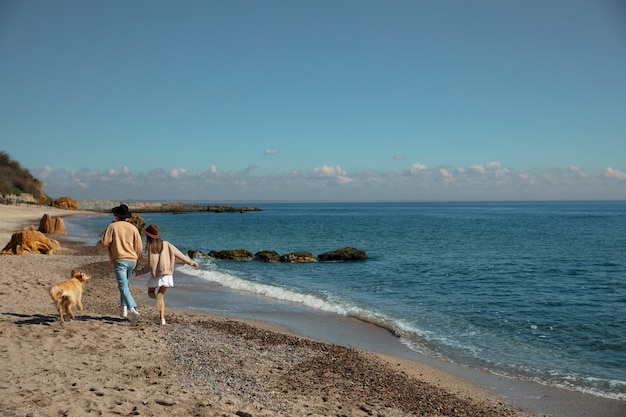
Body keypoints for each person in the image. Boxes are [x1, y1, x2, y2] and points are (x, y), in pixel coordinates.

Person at [142, 224, 199, 325]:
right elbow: (179, 254)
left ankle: (157, 300)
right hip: (167, 274)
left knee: (151, 292)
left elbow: (150, 264)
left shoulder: (151, 247)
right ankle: (162, 319)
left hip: (157, 274)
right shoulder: (167, 244)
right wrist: (191, 262)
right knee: (161, 295)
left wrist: (139, 271)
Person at [96, 204, 143, 324]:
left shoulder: (112, 226)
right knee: (125, 285)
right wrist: (138, 260)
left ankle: (133, 310)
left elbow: (105, 242)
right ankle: (123, 309)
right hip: (132, 259)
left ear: (116, 216)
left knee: (122, 285)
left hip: (120, 259)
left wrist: (98, 245)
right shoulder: (133, 228)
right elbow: (139, 247)